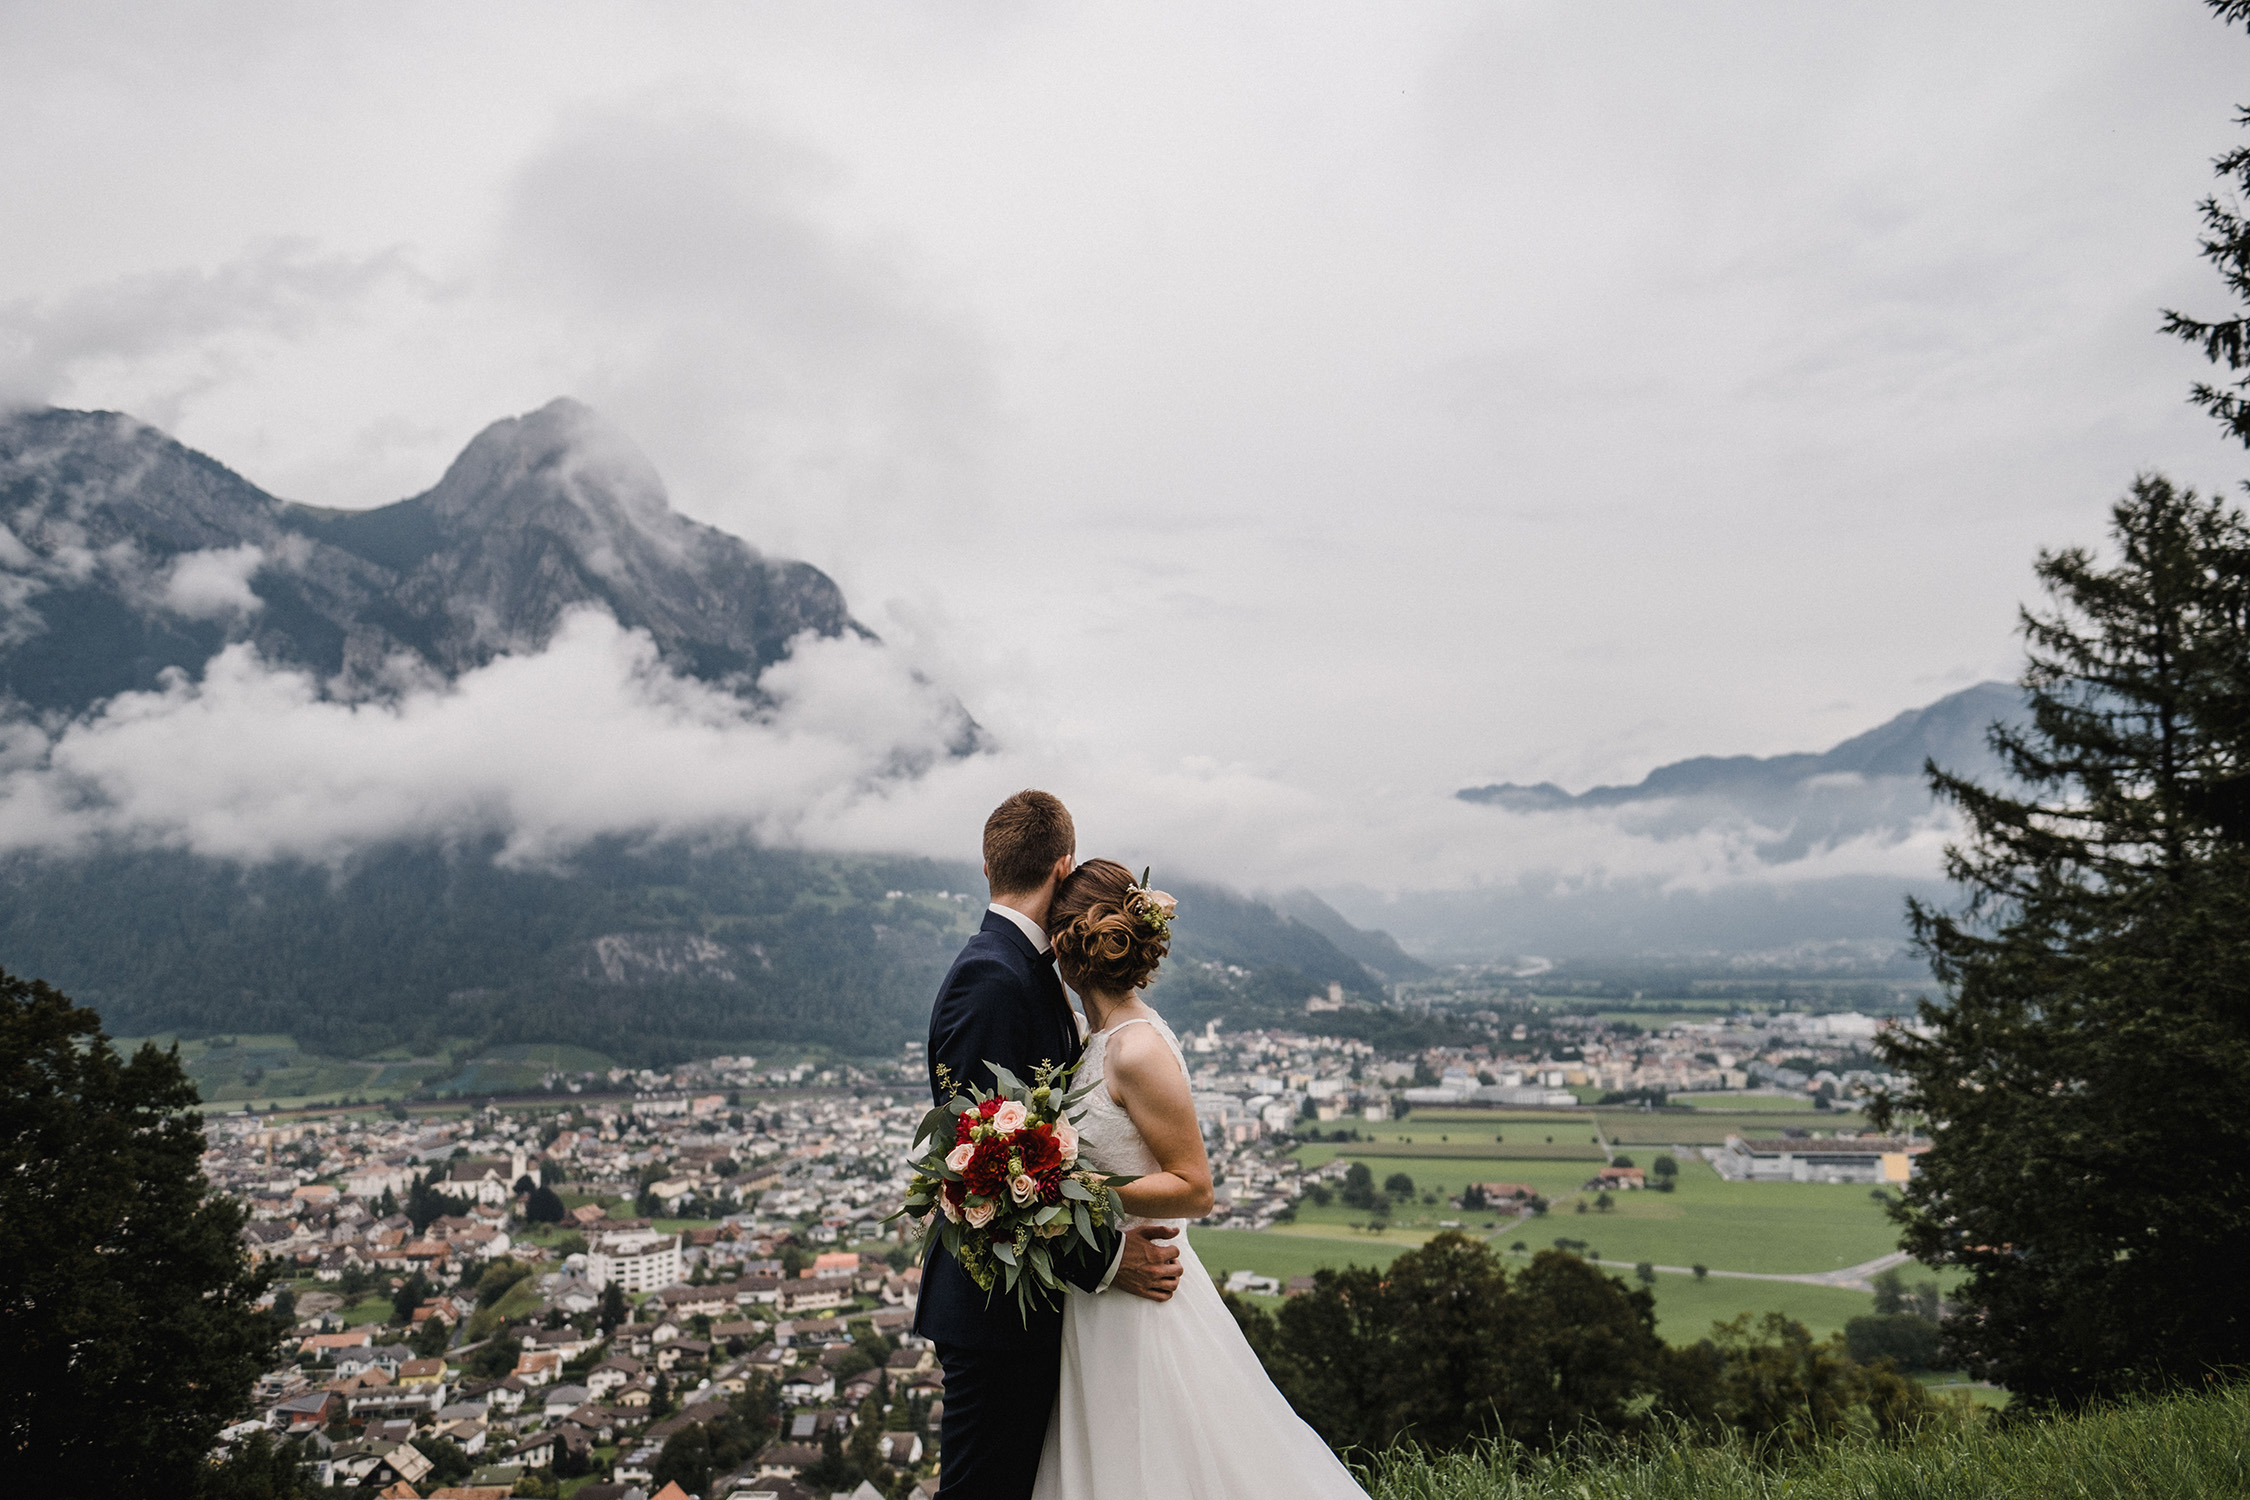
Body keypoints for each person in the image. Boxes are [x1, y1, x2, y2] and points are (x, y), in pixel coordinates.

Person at [1032, 857, 1371, 1500]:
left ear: (1072, 945)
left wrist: (1075, 1189)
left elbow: (1195, 1187)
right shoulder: (1094, 1037)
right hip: (1104, 1286)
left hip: (1143, 1287)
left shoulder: (1137, 1049)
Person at [913, 791, 1186, 1500]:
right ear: (1063, 867)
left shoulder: (1025, 970)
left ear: (986, 865)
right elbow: (985, 1169)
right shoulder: (992, 977)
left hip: (1030, 1306)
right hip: (992, 1308)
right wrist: (1107, 1259)